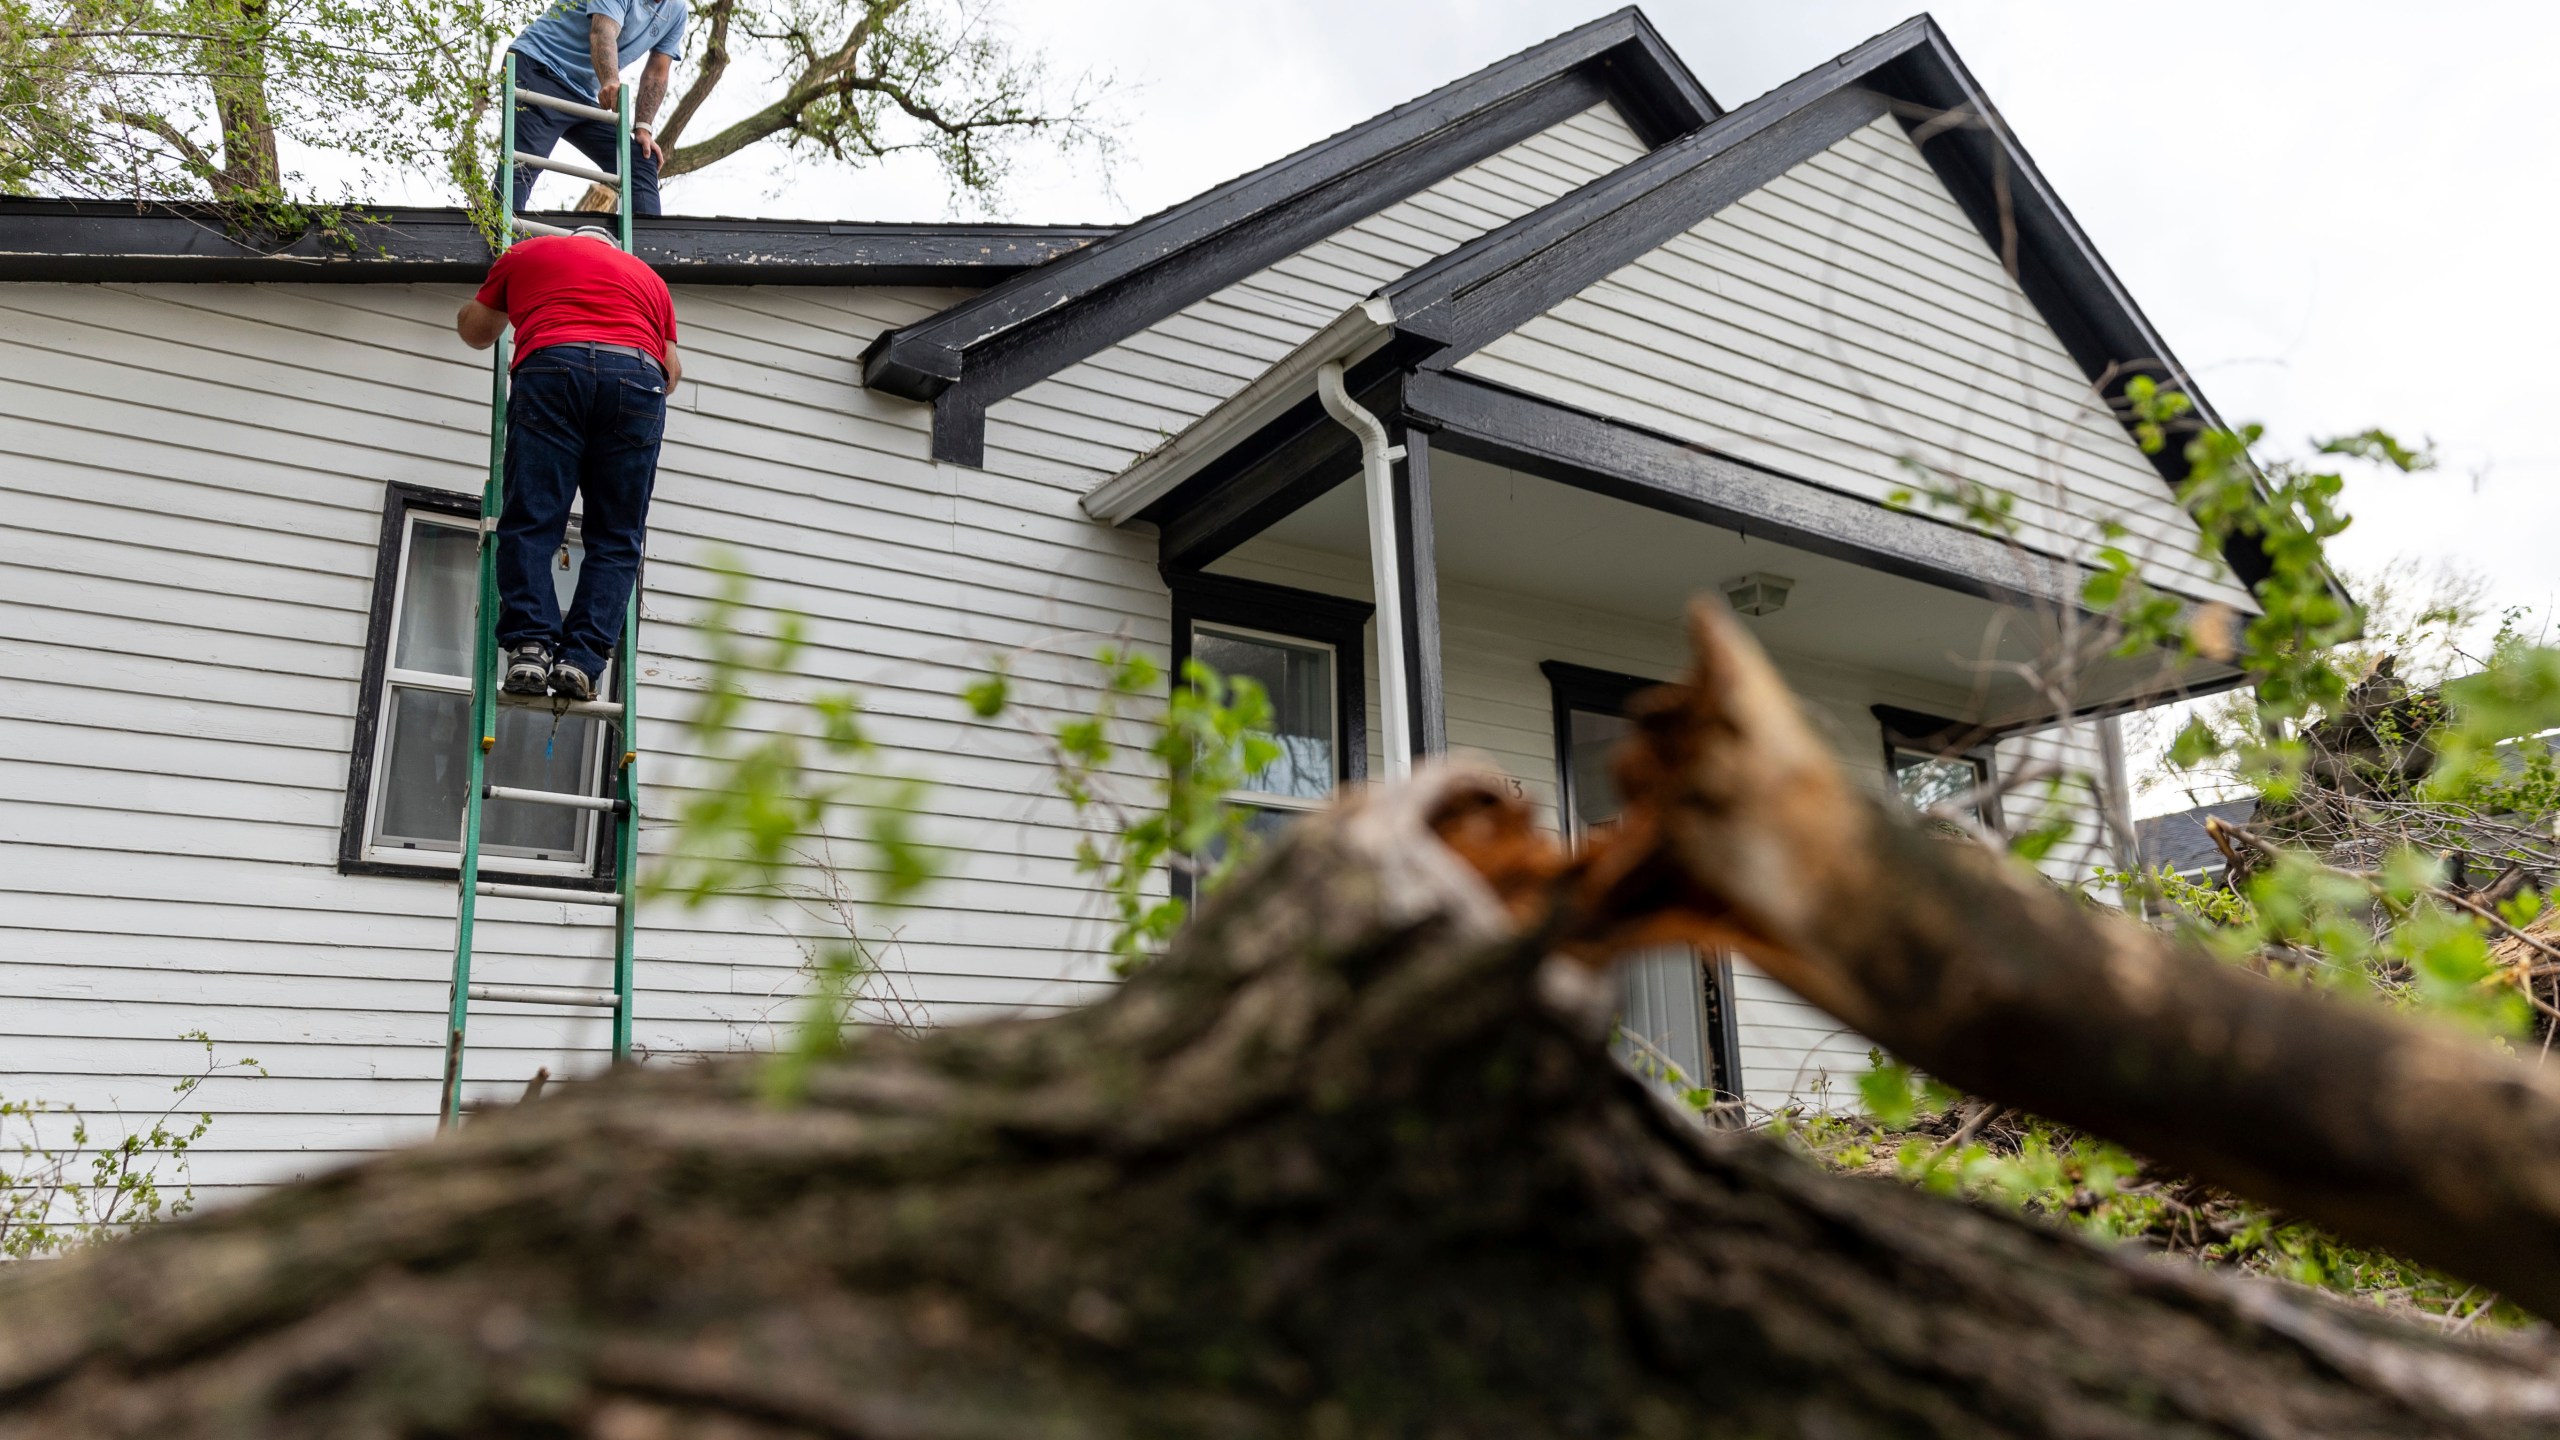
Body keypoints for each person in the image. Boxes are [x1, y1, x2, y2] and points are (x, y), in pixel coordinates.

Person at [454, 226, 682, 702]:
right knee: (617, 535)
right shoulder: (649, 280)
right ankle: (581, 660)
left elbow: (478, 333)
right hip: (637, 378)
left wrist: (470, 308)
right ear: (611, 248)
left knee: (533, 516)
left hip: (552, 366)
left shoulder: (526, 252)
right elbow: (672, 371)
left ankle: (531, 647)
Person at [504, 0, 686, 216]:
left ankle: (648, 246)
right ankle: (499, 244)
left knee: (639, 160)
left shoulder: (676, 11)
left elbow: (657, 71)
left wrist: (643, 129)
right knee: (521, 167)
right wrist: (610, 81)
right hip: (540, 68)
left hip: (582, 93)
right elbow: (602, 32)